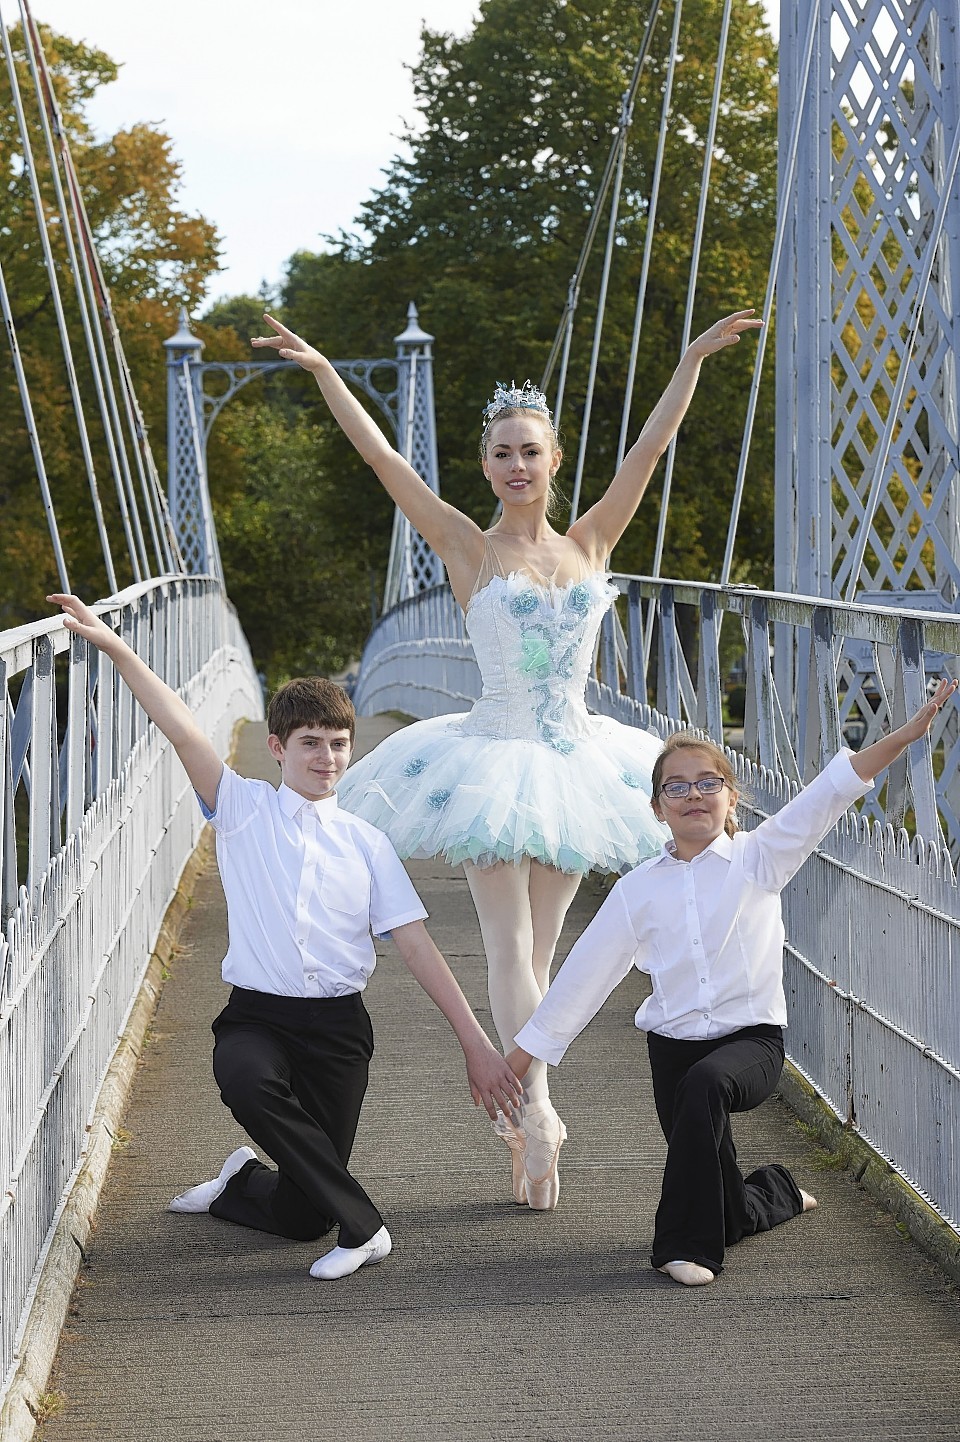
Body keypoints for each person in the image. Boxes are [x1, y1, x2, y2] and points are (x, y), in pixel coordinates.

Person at [251, 307, 761, 1210]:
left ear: (552, 461)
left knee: (544, 951)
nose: (516, 465)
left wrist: (689, 360)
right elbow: (383, 462)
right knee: (508, 942)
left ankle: (528, 1121)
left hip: (573, 763)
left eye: (530, 451)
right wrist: (326, 368)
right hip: (489, 758)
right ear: (486, 467)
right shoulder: (466, 545)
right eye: (501, 453)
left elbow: (649, 449)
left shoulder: (593, 539)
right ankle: (538, 1112)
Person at [48, 593, 522, 1280]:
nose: (326, 758)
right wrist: (118, 649)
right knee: (244, 1080)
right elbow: (181, 730)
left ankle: (242, 1182)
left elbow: (416, 947)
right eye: (310, 744)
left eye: (337, 744)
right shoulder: (243, 810)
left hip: (337, 1032)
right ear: (276, 748)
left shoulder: (367, 843)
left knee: (303, 1219)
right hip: (259, 1017)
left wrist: (477, 1045)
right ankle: (367, 1228)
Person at [504, 679, 958, 1283]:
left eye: (708, 783)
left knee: (707, 1089)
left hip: (750, 1045)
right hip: (672, 1050)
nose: (694, 795)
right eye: (677, 786)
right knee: (722, 1194)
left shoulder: (761, 858)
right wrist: (522, 1059)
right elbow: (584, 977)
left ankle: (682, 1248)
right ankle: (775, 1193)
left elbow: (832, 791)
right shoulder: (636, 890)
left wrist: (905, 735)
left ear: (731, 798)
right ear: (657, 806)